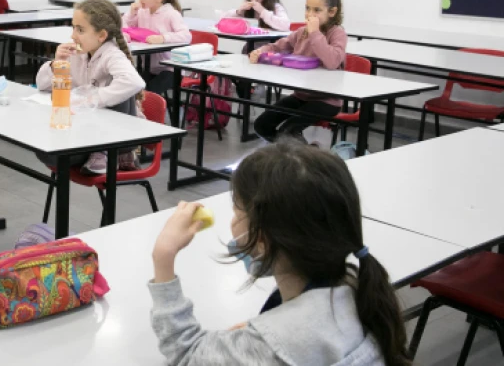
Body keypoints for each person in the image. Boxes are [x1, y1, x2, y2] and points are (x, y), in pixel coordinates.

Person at [149, 142, 409, 365]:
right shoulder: (358, 290)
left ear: (262, 239)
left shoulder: (272, 344)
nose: (232, 222)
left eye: (237, 211)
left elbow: (185, 356)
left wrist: (164, 258)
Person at [37, 0, 145, 173]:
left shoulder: (111, 55)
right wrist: (58, 63)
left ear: (101, 35)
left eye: (80, 30)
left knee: (55, 153)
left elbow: (135, 82)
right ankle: (100, 151)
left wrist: (92, 99)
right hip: (87, 127)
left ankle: (108, 152)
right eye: (73, 27)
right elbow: (41, 85)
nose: (73, 35)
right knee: (46, 151)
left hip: (116, 132)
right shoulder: (78, 54)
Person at [249, 0, 348, 142]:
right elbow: (279, 46)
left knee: (287, 132)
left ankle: (300, 156)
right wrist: (261, 51)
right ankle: (298, 153)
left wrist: (315, 33)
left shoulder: (337, 34)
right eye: (307, 8)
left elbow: (332, 61)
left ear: (332, 12)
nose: (310, 14)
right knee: (262, 125)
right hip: (301, 96)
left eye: (317, 10)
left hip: (325, 100)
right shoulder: (301, 32)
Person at [122, 0, 192, 95]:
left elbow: (186, 36)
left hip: (170, 69)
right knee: (132, 88)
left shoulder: (171, 14)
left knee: (147, 93)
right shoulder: (142, 12)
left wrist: (163, 38)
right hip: (148, 67)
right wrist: (131, 13)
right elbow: (126, 27)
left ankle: (151, 111)